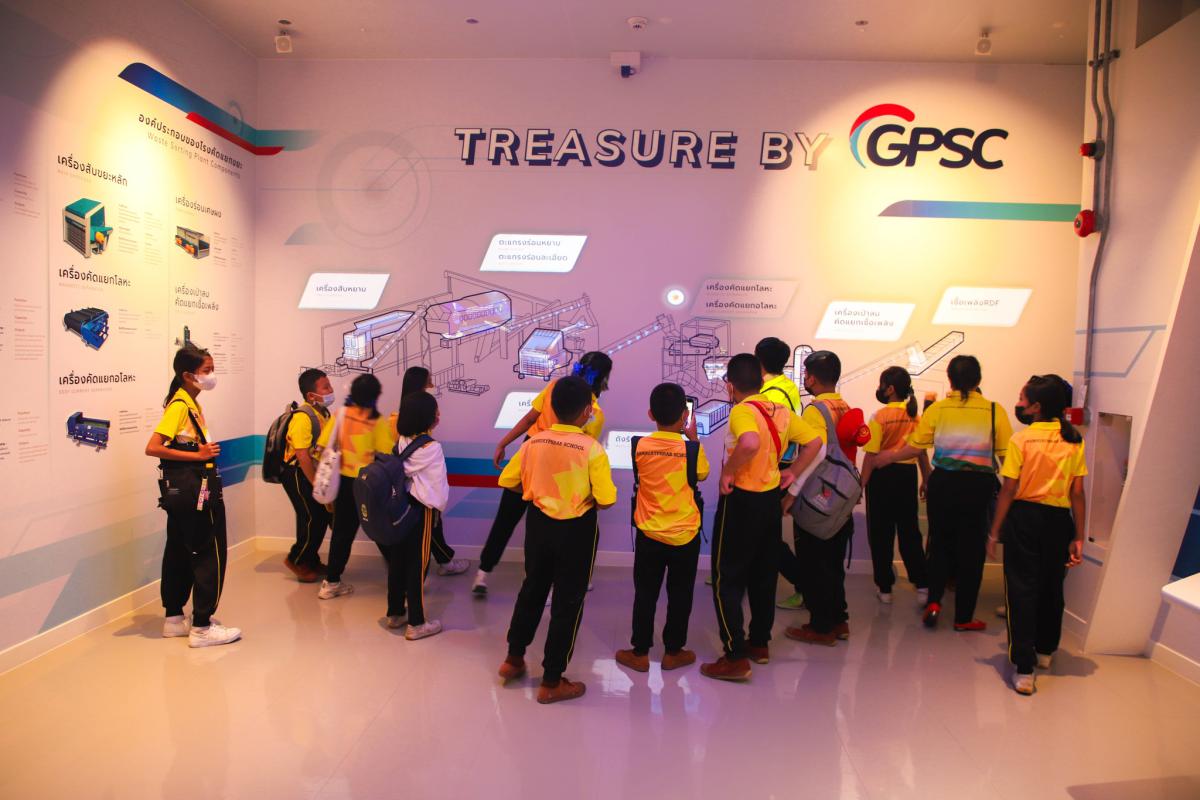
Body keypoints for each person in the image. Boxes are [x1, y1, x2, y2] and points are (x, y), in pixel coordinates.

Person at [495, 377, 617, 704]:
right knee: (568, 601)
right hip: (577, 530)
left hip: (539, 524)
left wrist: (538, 491)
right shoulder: (592, 449)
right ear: (587, 412)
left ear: (551, 406)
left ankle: (514, 658)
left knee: (532, 589)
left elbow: (508, 480)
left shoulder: (533, 443)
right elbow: (606, 500)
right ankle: (552, 680)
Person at [702, 354, 822, 681]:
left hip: (741, 501)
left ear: (730, 385)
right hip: (770, 501)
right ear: (761, 381)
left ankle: (734, 656)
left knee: (727, 578)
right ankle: (759, 644)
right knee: (763, 575)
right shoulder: (780, 410)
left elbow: (750, 441)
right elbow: (815, 441)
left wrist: (728, 472)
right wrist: (794, 471)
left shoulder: (742, 410)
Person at [876, 355, 1012, 631]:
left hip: (943, 483)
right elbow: (1006, 458)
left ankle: (934, 602)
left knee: (939, 545)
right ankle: (964, 617)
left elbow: (916, 447)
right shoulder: (994, 411)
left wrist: (889, 457)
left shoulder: (938, 410)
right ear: (978, 380)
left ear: (950, 380)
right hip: (978, 486)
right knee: (972, 550)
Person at [472, 352, 612, 597]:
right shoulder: (594, 412)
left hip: (531, 452)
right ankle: (566, 582)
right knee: (557, 528)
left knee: (506, 518)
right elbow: (584, 450)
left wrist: (503, 443)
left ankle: (482, 573)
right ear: (603, 378)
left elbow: (529, 419)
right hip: (559, 468)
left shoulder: (555, 387)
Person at [987, 375, 1087, 696]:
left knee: (1021, 589)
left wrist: (994, 530)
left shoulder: (1022, 440)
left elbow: (1009, 489)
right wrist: (1079, 535)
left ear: (1036, 407)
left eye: (1023, 399)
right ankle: (1045, 650)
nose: (1020, 404)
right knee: (1051, 586)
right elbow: (1077, 493)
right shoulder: (1074, 440)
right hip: (1059, 521)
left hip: (1024, 519)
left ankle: (1024, 669)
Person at [145, 344, 241, 647]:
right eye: (206, 370)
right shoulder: (180, 406)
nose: (212, 375)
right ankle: (202, 626)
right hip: (195, 490)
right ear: (188, 375)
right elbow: (153, 447)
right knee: (209, 553)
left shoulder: (188, 402)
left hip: (182, 493)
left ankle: (174, 619)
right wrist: (198, 454)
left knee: (178, 551)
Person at [615, 382, 710, 673]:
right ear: (685, 415)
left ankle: (639, 652)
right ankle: (673, 652)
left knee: (645, 594)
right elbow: (702, 474)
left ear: (650, 414)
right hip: (685, 536)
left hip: (649, 534)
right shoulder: (692, 451)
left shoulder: (640, 447)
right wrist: (693, 440)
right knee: (680, 595)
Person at [783, 350, 857, 647]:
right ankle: (839, 620)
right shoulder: (843, 405)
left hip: (819, 498)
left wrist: (792, 492)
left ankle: (820, 626)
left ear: (811, 378)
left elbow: (815, 453)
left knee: (814, 563)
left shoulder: (816, 410)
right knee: (833, 563)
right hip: (841, 498)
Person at [315, 373, 395, 600]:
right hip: (369, 484)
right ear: (374, 395)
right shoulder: (376, 421)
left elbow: (321, 446)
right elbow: (386, 454)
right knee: (381, 531)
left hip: (344, 484)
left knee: (342, 533)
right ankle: (401, 579)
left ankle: (331, 582)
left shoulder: (340, 415)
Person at [860, 366, 930, 606]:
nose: (879, 389)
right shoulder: (916, 416)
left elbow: (871, 455)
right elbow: (921, 453)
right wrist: (926, 478)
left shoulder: (879, 416)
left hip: (881, 477)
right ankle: (922, 585)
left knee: (881, 533)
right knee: (910, 531)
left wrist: (861, 484)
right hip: (907, 477)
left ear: (890, 389)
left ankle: (885, 588)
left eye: (882, 385)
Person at [387, 391, 450, 640]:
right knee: (418, 565)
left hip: (400, 508)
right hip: (421, 511)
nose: (439, 415)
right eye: (436, 411)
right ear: (428, 418)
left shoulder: (401, 440)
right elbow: (437, 486)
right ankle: (417, 622)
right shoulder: (432, 448)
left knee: (398, 560)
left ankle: (395, 613)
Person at [399, 366, 469, 577]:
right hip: (425, 498)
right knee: (424, 545)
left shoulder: (406, 431)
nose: (432, 385)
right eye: (429, 381)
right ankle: (417, 585)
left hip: (411, 492)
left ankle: (438, 564)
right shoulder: (431, 447)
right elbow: (436, 483)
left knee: (422, 536)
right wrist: (438, 502)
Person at [754, 337, 807, 612]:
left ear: (759, 361)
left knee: (767, 536)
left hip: (773, 468)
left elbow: (764, 438)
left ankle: (805, 584)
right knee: (763, 533)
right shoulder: (787, 387)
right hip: (782, 464)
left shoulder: (771, 394)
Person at [282, 368, 335, 583]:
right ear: (311, 395)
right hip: (298, 473)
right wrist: (314, 482)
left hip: (313, 473)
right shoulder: (303, 417)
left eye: (329, 385)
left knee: (318, 517)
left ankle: (310, 560)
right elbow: (302, 455)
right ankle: (296, 559)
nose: (331, 390)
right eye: (326, 387)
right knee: (313, 517)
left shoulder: (323, 413)